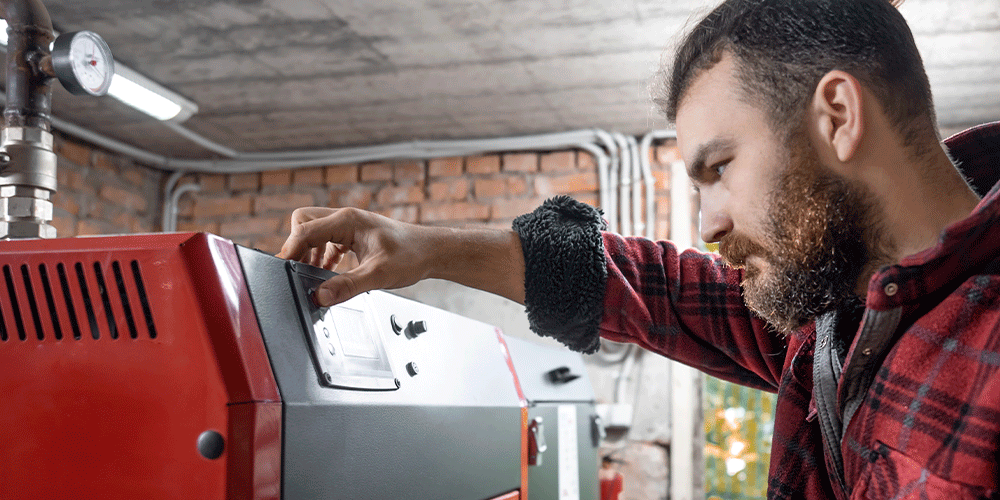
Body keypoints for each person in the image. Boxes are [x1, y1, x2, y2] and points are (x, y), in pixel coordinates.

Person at [278, 0, 1000, 498]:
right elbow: (655, 288)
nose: (708, 224)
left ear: (838, 117)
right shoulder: (834, 317)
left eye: (719, 169)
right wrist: (423, 248)